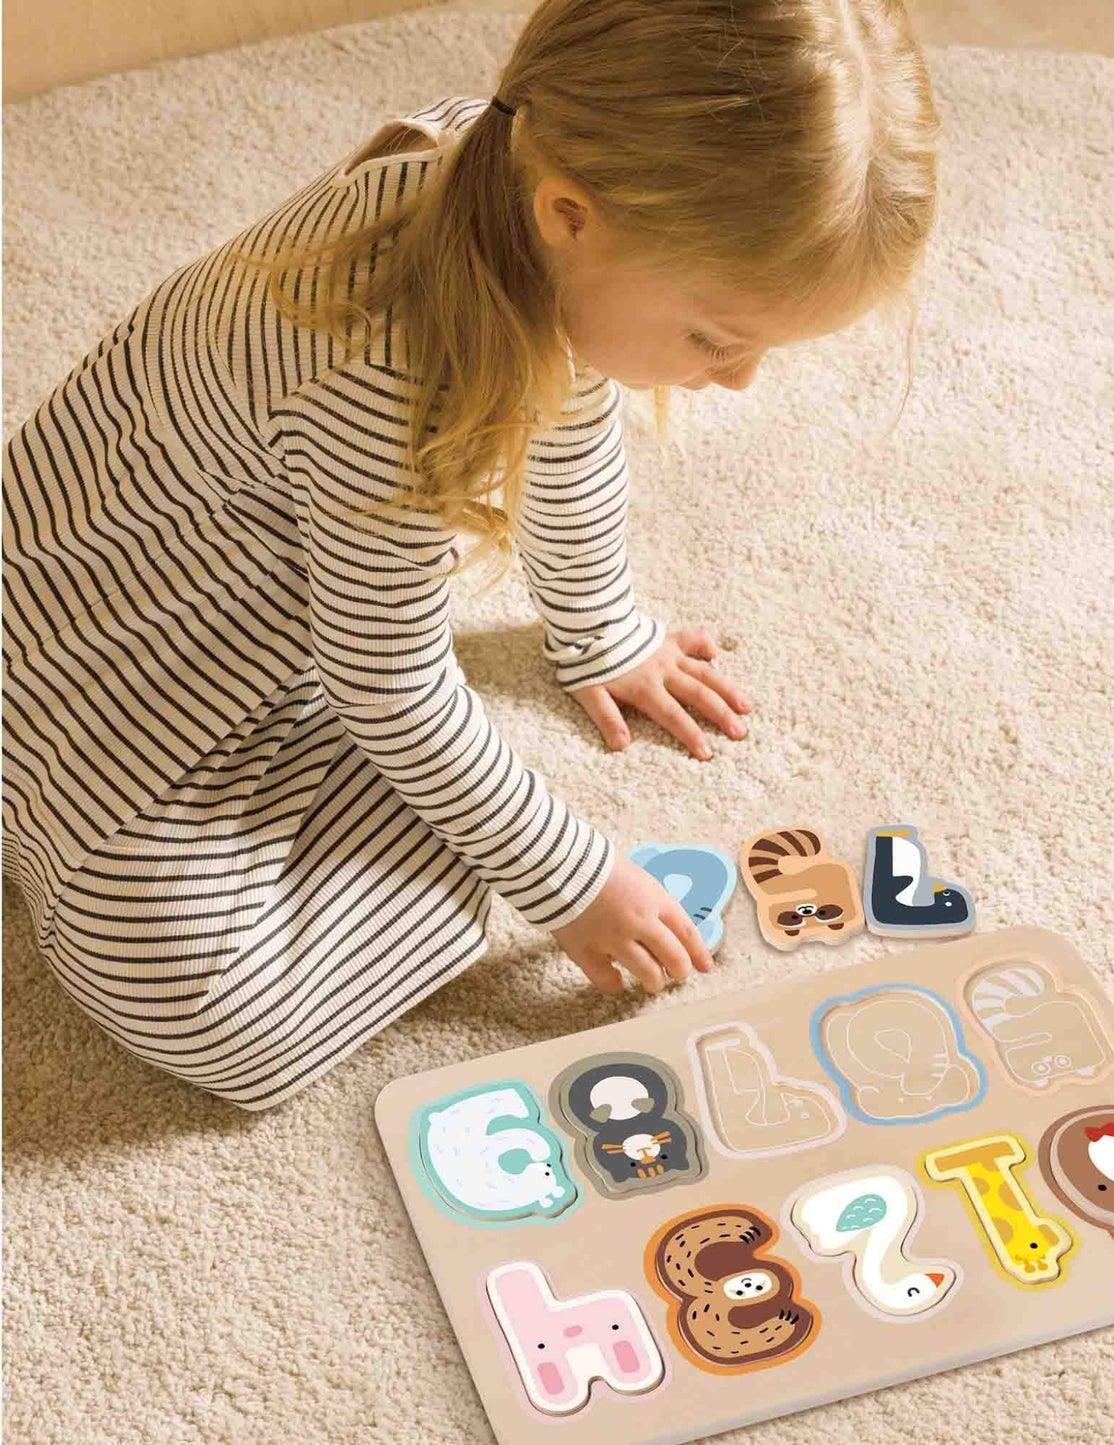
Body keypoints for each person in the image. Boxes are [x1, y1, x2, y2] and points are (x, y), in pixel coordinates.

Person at [0, 0, 940, 1109]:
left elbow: (571, 414)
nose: (736, 381)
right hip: (130, 692)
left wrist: (601, 629)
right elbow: (388, 686)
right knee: (228, 1020)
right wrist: (568, 876)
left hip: (137, 605)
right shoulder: (382, 380)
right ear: (571, 216)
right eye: (714, 337)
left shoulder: (493, 162)